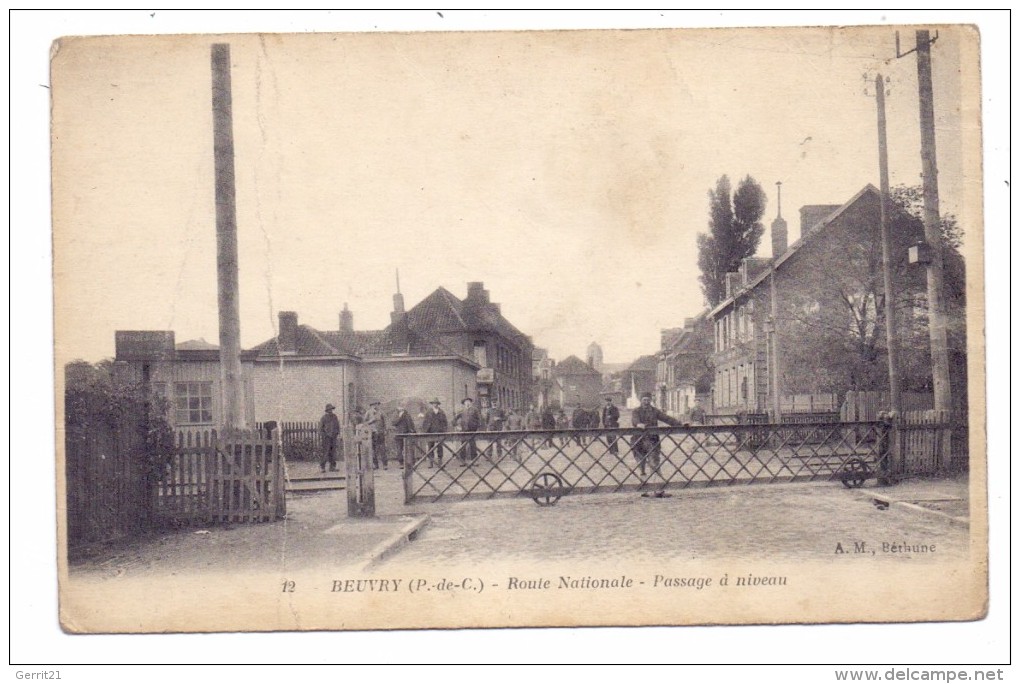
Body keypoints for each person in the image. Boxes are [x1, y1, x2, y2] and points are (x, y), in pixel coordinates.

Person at [631, 391, 681, 475]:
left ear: (650, 400)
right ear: (641, 401)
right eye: (644, 400)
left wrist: (680, 424)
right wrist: (638, 424)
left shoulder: (654, 411)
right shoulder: (636, 411)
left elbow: (666, 418)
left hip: (652, 439)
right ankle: (643, 474)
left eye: (648, 400)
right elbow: (635, 419)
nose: (646, 402)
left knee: (654, 461)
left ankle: (657, 480)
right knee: (640, 460)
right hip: (639, 439)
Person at [421, 398, 449, 468]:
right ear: (432, 404)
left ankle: (440, 462)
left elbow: (445, 422)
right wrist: (425, 431)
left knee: (440, 447)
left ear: (438, 404)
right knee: (430, 447)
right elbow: (425, 422)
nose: (435, 404)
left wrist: (444, 431)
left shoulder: (441, 412)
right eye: (434, 403)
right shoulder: (428, 412)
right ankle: (431, 462)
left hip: (439, 432)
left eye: (436, 403)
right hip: (431, 432)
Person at [454, 397, 481, 466]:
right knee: (463, 446)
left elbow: (479, 419)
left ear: (471, 403)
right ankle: (463, 461)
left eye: (469, 401)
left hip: (472, 430)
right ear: (464, 403)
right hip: (464, 431)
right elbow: (454, 420)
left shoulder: (474, 410)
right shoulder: (462, 410)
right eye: (466, 402)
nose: (468, 403)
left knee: (473, 445)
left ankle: (474, 461)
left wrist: (477, 428)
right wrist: (457, 426)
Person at [363, 401, 388, 469]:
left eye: (376, 404)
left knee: (382, 448)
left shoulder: (381, 412)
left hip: (380, 433)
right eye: (373, 405)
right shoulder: (368, 413)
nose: (375, 406)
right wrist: (371, 421)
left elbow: (385, 422)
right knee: (373, 449)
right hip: (372, 433)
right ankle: (375, 464)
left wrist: (385, 430)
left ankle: (385, 464)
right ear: (371, 406)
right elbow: (364, 423)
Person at [319, 403, 341, 472]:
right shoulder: (324, 418)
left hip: (333, 437)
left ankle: (332, 467)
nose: (330, 411)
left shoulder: (335, 417)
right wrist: (324, 435)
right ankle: (322, 467)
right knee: (326, 452)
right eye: (329, 409)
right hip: (326, 438)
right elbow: (320, 428)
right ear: (327, 410)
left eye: (331, 409)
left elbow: (337, 426)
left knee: (333, 452)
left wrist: (337, 433)